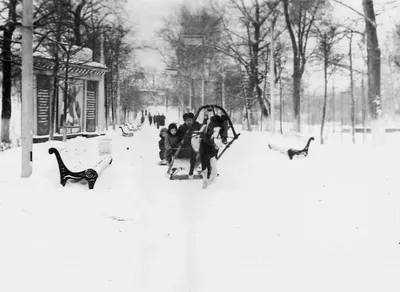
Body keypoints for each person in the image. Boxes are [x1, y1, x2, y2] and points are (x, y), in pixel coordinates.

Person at [199, 115, 225, 188]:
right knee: (206, 163)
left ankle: (208, 181)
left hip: (212, 147)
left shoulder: (218, 127)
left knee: (212, 165)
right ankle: (206, 180)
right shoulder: (208, 126)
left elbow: (219, 136)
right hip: (205, 147)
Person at [177, 112, 202, 178]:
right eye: (187, 120)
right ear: (185, 121)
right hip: (187, 144)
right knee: (188, 151)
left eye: (190, 120)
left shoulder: (197, 125)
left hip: (197, 143)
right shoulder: (182, 128)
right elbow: (180, 138)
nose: (189, 122)